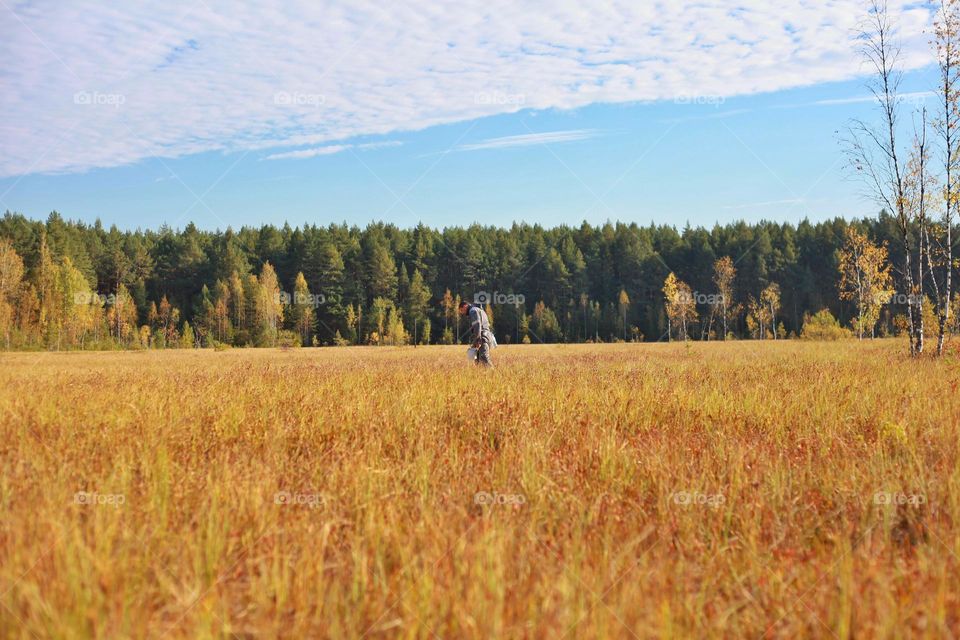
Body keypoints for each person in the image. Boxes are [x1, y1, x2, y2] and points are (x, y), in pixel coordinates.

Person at [459, 300, 496, 367]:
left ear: (465, 306)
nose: (463, 313)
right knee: (478, 361)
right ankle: (482, 376)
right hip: (486, 336)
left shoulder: (473, 311)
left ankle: (493, 374)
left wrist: (478, 340)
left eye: (462, 310)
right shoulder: (480, 310)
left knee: (484, 359)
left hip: (482, 337)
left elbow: (477, 325)